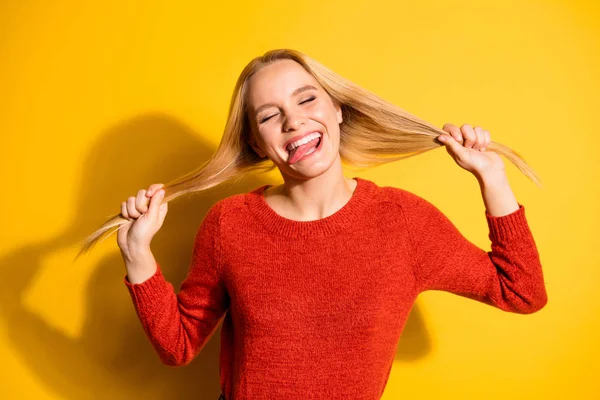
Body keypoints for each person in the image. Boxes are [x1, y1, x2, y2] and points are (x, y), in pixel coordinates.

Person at [85, 49, 547, 399]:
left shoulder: (403, 221)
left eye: (307, 98)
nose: (294, 121)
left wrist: (492, 178)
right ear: (256, 141)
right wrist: (138, 255)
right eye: (270, 116)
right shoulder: (229, 224)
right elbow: (178, 346)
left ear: (337, 109)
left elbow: (522, 291)